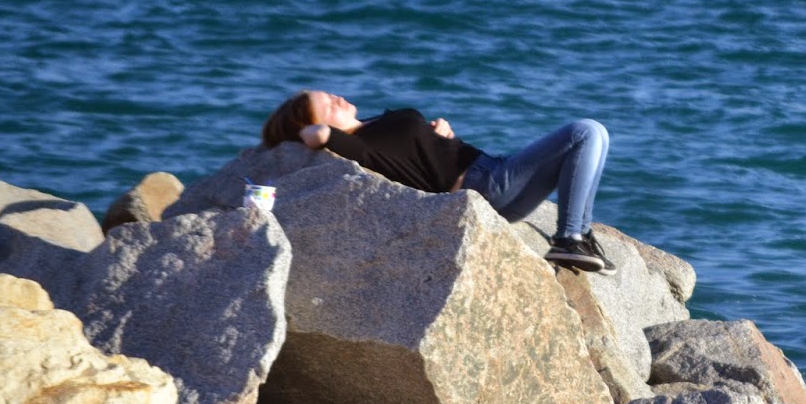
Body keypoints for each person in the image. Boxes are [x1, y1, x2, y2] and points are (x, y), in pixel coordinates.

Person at [261, 90, 615, 274]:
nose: (337, 98)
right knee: (586, 132)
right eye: (328, 105)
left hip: (491, 166)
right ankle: (570, 237)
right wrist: (305, 128)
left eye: (330, 94)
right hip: (486, 187)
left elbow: (416, 151)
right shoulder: (354, 146)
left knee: (591, 139)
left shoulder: (370, 126)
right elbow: (318, 134)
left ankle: (578, 235)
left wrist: (440, 136)